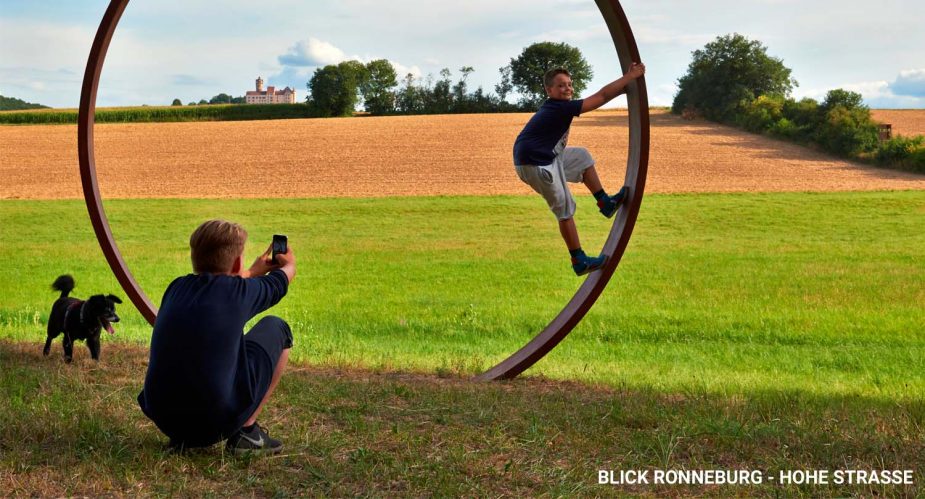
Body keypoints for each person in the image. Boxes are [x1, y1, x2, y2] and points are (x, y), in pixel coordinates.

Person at [137, 219, 296, 455]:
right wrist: (288, 262)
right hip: (214, 424)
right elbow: (284, 276)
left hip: (166, 420)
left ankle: (184, 438)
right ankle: (247, 432)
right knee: (277, 328)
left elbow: (220, 288)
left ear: (194, 257)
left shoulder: (176, 288)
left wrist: (251, 272)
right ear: (237, 262)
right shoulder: (239, 293)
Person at [513, 62, 646, 275]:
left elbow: (603, 96)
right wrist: (630, 77)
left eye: (569, 84)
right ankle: (579, 260)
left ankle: (605, 202)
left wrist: (624, 89)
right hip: (535, 163)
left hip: (546, 156)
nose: (567, 89)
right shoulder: (559, 107)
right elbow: (601, 97)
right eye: (561, 86)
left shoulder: (558, 107)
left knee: (582, 157)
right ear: (549, 90)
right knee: (564, 209)